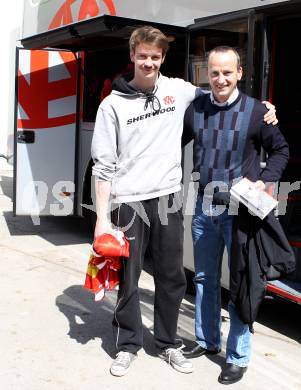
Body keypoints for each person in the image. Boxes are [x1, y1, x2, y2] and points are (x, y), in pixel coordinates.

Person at [91, 26, 277, 377]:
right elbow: (103, 167)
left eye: (155, 56)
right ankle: (128, 344)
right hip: (128, 201)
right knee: (129, 279)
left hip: (167, 199)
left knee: (172, 276)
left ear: (163, 59)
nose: (148, 62)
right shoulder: (111, 105)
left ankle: (166, 343)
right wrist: (102, 219)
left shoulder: (178, 90)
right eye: (143, 55)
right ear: (132, 56)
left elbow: (222, 93)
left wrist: (263, 107)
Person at [182, 46, 289, 385]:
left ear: (240, 73)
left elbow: (281, 150)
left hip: (241, 212)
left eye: (227, 72)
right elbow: (170, 142)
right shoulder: (195, 109)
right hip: (204, 207)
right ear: (207, 75)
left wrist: (263, 181)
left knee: (242, 283)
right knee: (203, 278)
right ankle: (207, 340)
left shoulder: (257, 112)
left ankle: (238, 357)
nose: (221, 79)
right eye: (214, 72)